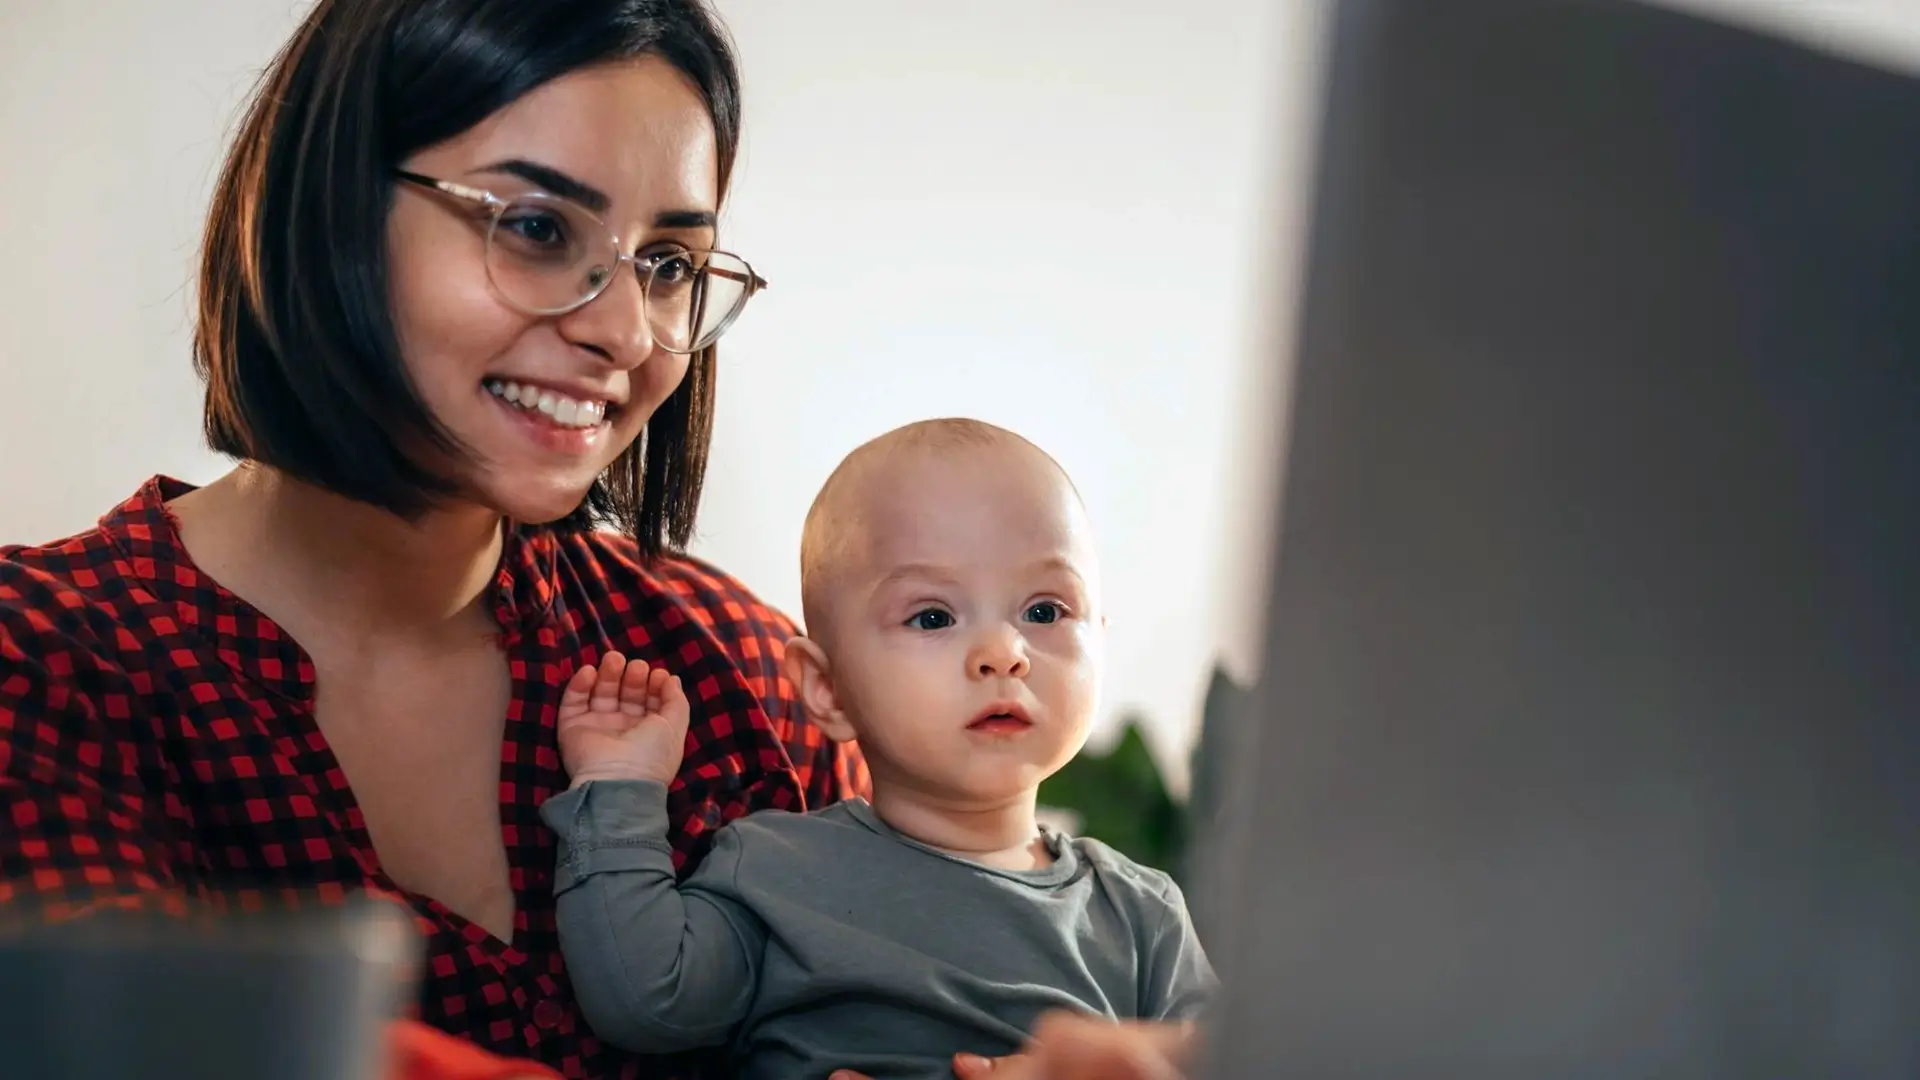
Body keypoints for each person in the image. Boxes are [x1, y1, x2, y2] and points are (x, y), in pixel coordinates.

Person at [0, 1, 1206, 1077]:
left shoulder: (737, 671)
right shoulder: (42, 660)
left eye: (671, 263)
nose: (629, 330)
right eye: (534, 228)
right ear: (331, 207)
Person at [540, 420, 1217, 1079]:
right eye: (933, 617)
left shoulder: (1143, 916)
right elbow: (646, 1003)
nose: (1003, 654)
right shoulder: (774, 870)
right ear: (827, 689)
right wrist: (618, 785)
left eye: (1044, 611)